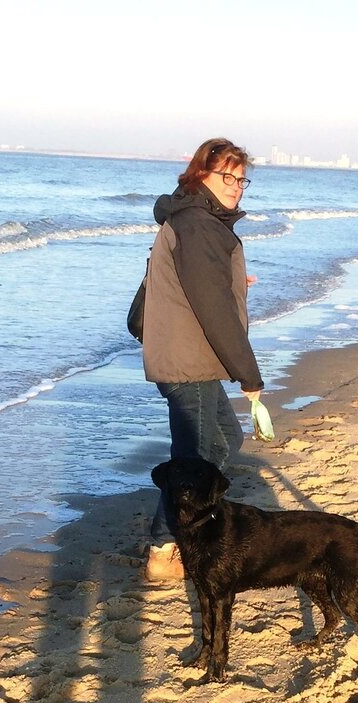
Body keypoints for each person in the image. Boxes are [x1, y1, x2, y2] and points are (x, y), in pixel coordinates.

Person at [142, 137, 264, 579]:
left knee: (223, 441)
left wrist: (231, 282)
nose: (235, 186)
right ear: (200, 175)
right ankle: (163, 550)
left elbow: (196, 288)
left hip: (194, 356)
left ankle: (170, 537)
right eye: (226, 176)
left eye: (241, 179)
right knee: (193, 460)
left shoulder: (200, 220)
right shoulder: (197, 224)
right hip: (186, 359)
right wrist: (249, 375)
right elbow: (214, 310)